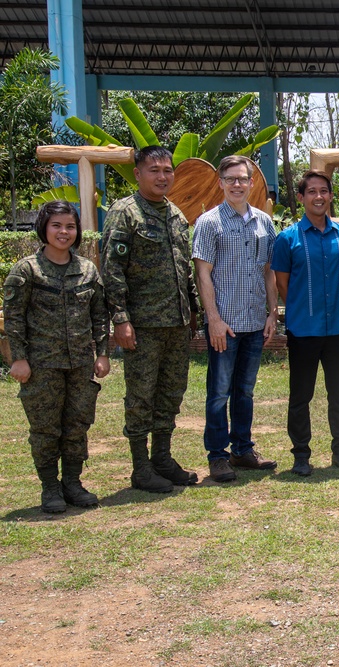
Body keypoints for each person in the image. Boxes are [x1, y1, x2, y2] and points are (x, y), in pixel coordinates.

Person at [101, 145, 199, 493]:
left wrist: (192, 311)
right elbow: (112, 270)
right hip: (142, 324)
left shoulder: (175, 214)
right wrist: (121, 319)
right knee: (141, 395)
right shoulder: (124, 213)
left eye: (167, 170)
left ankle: (162, 458)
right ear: (138, 173)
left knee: (170, 393)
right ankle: (140, 468)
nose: (162, 176)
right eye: (154, 170)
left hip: (175, 323)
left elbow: (183, 268)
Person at [3, 202, 109, 513]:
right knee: (46, 428)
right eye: (57, 226)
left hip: (79, 363)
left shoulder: (87, 269)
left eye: (70, 226)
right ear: (44, 229)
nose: (64, 232)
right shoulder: (26, 270)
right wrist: (18, 359)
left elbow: (100, 316)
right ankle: (50, 487)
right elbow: (13, 318)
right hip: (41, 365)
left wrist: (101, 354)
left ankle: (73, 483)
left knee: (77, 424)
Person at [192, 156, 279, 483]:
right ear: (221, 183)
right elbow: (203, 274)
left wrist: (273, 312)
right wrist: (213, 319)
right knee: (219, 392)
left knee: (244, 391)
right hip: (224, 325)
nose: (237, 184)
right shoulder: (209, 223)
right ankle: (218, 456)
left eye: (243, 178)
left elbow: (268, 271)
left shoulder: (264, 223)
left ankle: (242, 450)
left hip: (256, 322)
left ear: (252, 182)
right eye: (230, 179)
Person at [272, 170, 339, 477]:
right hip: (303, 330)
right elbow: (283, 285)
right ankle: (301, 454)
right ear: (301, 197)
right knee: (300, 395)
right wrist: (304, 307)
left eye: (324, 191)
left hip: (338, 328)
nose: (318, 196)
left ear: (331, 196)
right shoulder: (287, 239)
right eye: (312, 191)